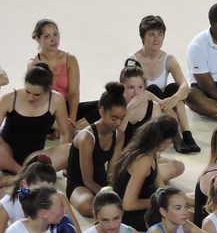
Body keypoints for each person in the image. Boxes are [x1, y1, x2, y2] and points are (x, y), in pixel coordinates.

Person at [127, 15, 199, 153]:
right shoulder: (133, 61)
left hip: (164, 106)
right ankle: (176, 136)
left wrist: (174, 99)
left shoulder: (168, 58)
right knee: (153, 88)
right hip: (146, 106)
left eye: (160, 34)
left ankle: (187, 134)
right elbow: (134, 90)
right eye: (151, 35)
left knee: (174, 88)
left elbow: (184, 86)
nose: (157, 39)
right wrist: (161, 102)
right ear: (142, 37)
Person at [0, 63, 72, 179]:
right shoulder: (9, 98)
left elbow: (64, 132)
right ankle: (24, 174)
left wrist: (65, 161)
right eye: (27, 91)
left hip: (34, 158)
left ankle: (25, 175)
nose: (30, 98)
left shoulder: (56, 100)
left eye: (36, 95)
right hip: (6, 157)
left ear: (48, 89)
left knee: (71, 149)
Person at [66, 82, 127, 219]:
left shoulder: (119, 135)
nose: (118, 123)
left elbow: (112, 171)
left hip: (101, 180)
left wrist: (112, 188)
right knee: (89, 207)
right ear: (102, 112)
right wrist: (109, 195)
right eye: (114, 118)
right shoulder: (87, 137)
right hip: (79, 184)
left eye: (122, 118)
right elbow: (87, 180)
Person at [29, 19, 80, 135]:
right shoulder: (34, 63)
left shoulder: (70, 59)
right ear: (38, 38)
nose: (53, 39)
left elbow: (74, 92)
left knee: (101, 107)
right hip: (47, 109)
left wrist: (71, 119)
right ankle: (60, 128)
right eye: (47, 36)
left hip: (66, 107)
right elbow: (37, 96)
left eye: (55, 34)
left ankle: (69, 127)